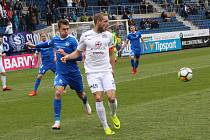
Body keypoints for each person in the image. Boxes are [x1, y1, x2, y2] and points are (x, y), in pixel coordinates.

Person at [61, 13, 120, 135]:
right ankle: (105, 127)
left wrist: (112, 69)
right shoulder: (86, 36)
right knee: (98, 98)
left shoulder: (108, 35)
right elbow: (78, 53)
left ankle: (113, 114)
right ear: (98, 21)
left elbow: (111, 53)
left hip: (106, 70)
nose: (107, 24)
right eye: (105, 21)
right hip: (92, 72)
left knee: (111, 97)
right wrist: (67, 56)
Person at [26, 19, 91, 129]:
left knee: (81, 94)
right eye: (63, 29)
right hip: (61, 73)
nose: (66, 31)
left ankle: (85, 101)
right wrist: (33, 46)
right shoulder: (55, 40)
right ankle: (57, 121)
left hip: (73, 73)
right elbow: (45, 44)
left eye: (67, 29)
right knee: (58, 93)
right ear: (58, 30)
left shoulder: (73, 41)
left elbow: (79, 57)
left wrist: (66, 54)